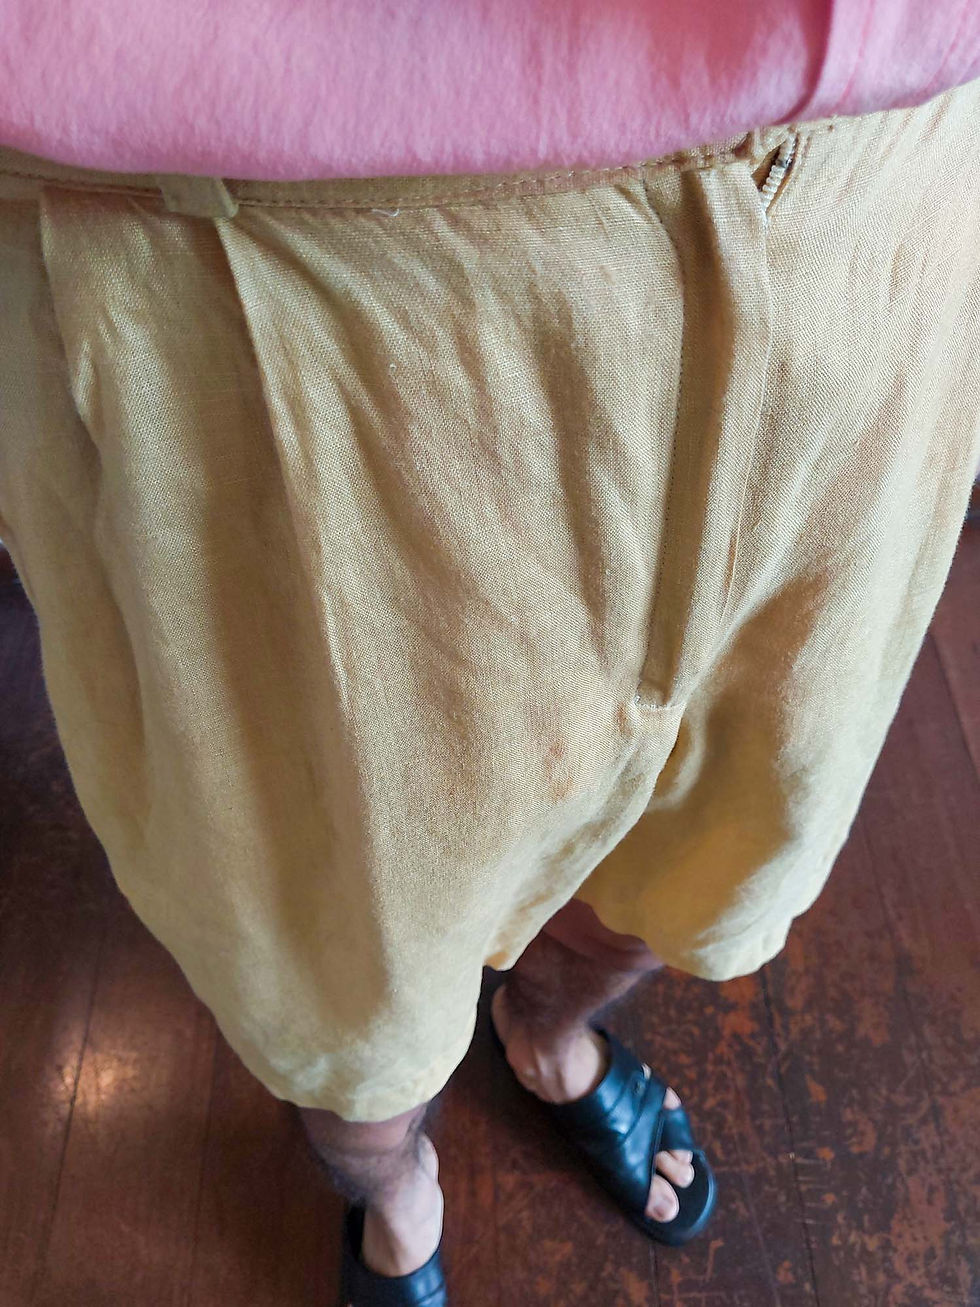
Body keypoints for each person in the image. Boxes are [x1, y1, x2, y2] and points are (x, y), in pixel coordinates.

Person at [1, 5, 979, 1304]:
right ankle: (394, 1184)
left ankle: (544, 1028)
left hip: (870, 179)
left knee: (730, 822)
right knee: (335, 971)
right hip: (229, 234)